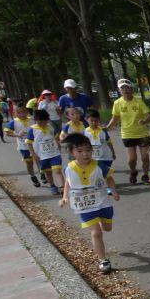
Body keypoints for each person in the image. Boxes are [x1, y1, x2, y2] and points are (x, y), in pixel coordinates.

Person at [59, 133, 120, 273]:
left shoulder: (100, 165)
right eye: (80, 151)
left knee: (107, 228)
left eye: (88, 150)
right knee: (96, 233)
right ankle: (103, 260)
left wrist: (113, 191)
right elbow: (68, 183)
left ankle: (102, 224)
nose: (85, 154)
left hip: (103, 203)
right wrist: (65, 197)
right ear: (72, 152)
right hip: (85, 207)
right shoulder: (68, 168)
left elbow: (109, 178)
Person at [107, 78, 150, 184]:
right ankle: (133, 171)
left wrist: (144, 121)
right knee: (132, 159)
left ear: (131, 88)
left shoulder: (139, 101)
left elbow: (149, 116)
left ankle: (145, 175)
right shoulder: (117, 103)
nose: (125, 90)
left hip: (142, 133)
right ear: (119, 90)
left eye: (127, 87)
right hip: (127, 134)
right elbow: (115, 118)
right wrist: (107, 127)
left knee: (145, 156)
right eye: (122, 88)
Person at [26, 109, 64, 195]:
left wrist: (59, 146)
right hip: (42, 156)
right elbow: (29, 143)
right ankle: (52, 186)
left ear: (47, 120)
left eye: (45, 121)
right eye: (40, 122)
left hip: (54, 153)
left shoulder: (50, 127)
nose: (43, 124)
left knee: (58, 170)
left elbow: (56, 137)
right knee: (48, 172)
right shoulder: (32, 130)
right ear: (35, 120)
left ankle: (63, 188)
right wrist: (34, 154)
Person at [3, 104, 40, 187]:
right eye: (19, 113)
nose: (22, 114)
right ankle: (33, 176)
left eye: (24, 112)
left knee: (38, 160)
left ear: (27, 112)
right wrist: (17, 135)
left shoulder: (32, 120)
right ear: (15, 113)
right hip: (24, 147)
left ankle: (42, 173)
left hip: (35, 145)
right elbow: (7, 133)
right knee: (29, 163)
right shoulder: (14, 122)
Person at [84, 109, 116, 177]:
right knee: (98, 172)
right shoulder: (85, 132)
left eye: (96, 121)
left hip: (107, 156)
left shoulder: (103, 131)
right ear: (86, 119)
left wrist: (113, 153)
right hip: (94, 158)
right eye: (91, 121)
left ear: (99, 120)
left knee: (106, 174)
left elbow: (109, 143)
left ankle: (106, 185)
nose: (94, 123)